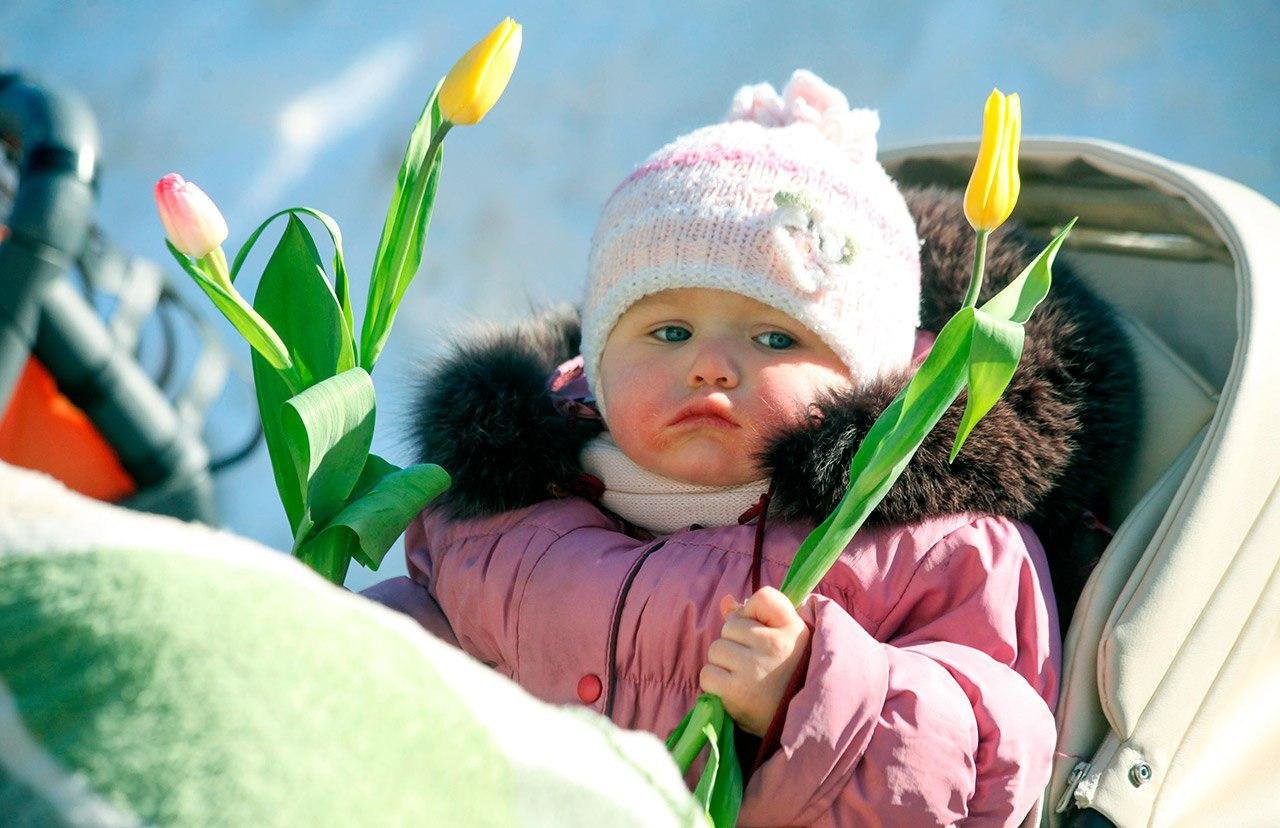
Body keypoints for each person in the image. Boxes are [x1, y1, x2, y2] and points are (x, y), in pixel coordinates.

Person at [364, 69, 1138, 825]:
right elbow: (431, 653)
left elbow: (988, 763)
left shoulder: (932, 548)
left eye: (774, 336)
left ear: (871, 374)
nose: (708, 363)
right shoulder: (508, 512)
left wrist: (812, 692)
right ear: (596, 360)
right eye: (668, 330)